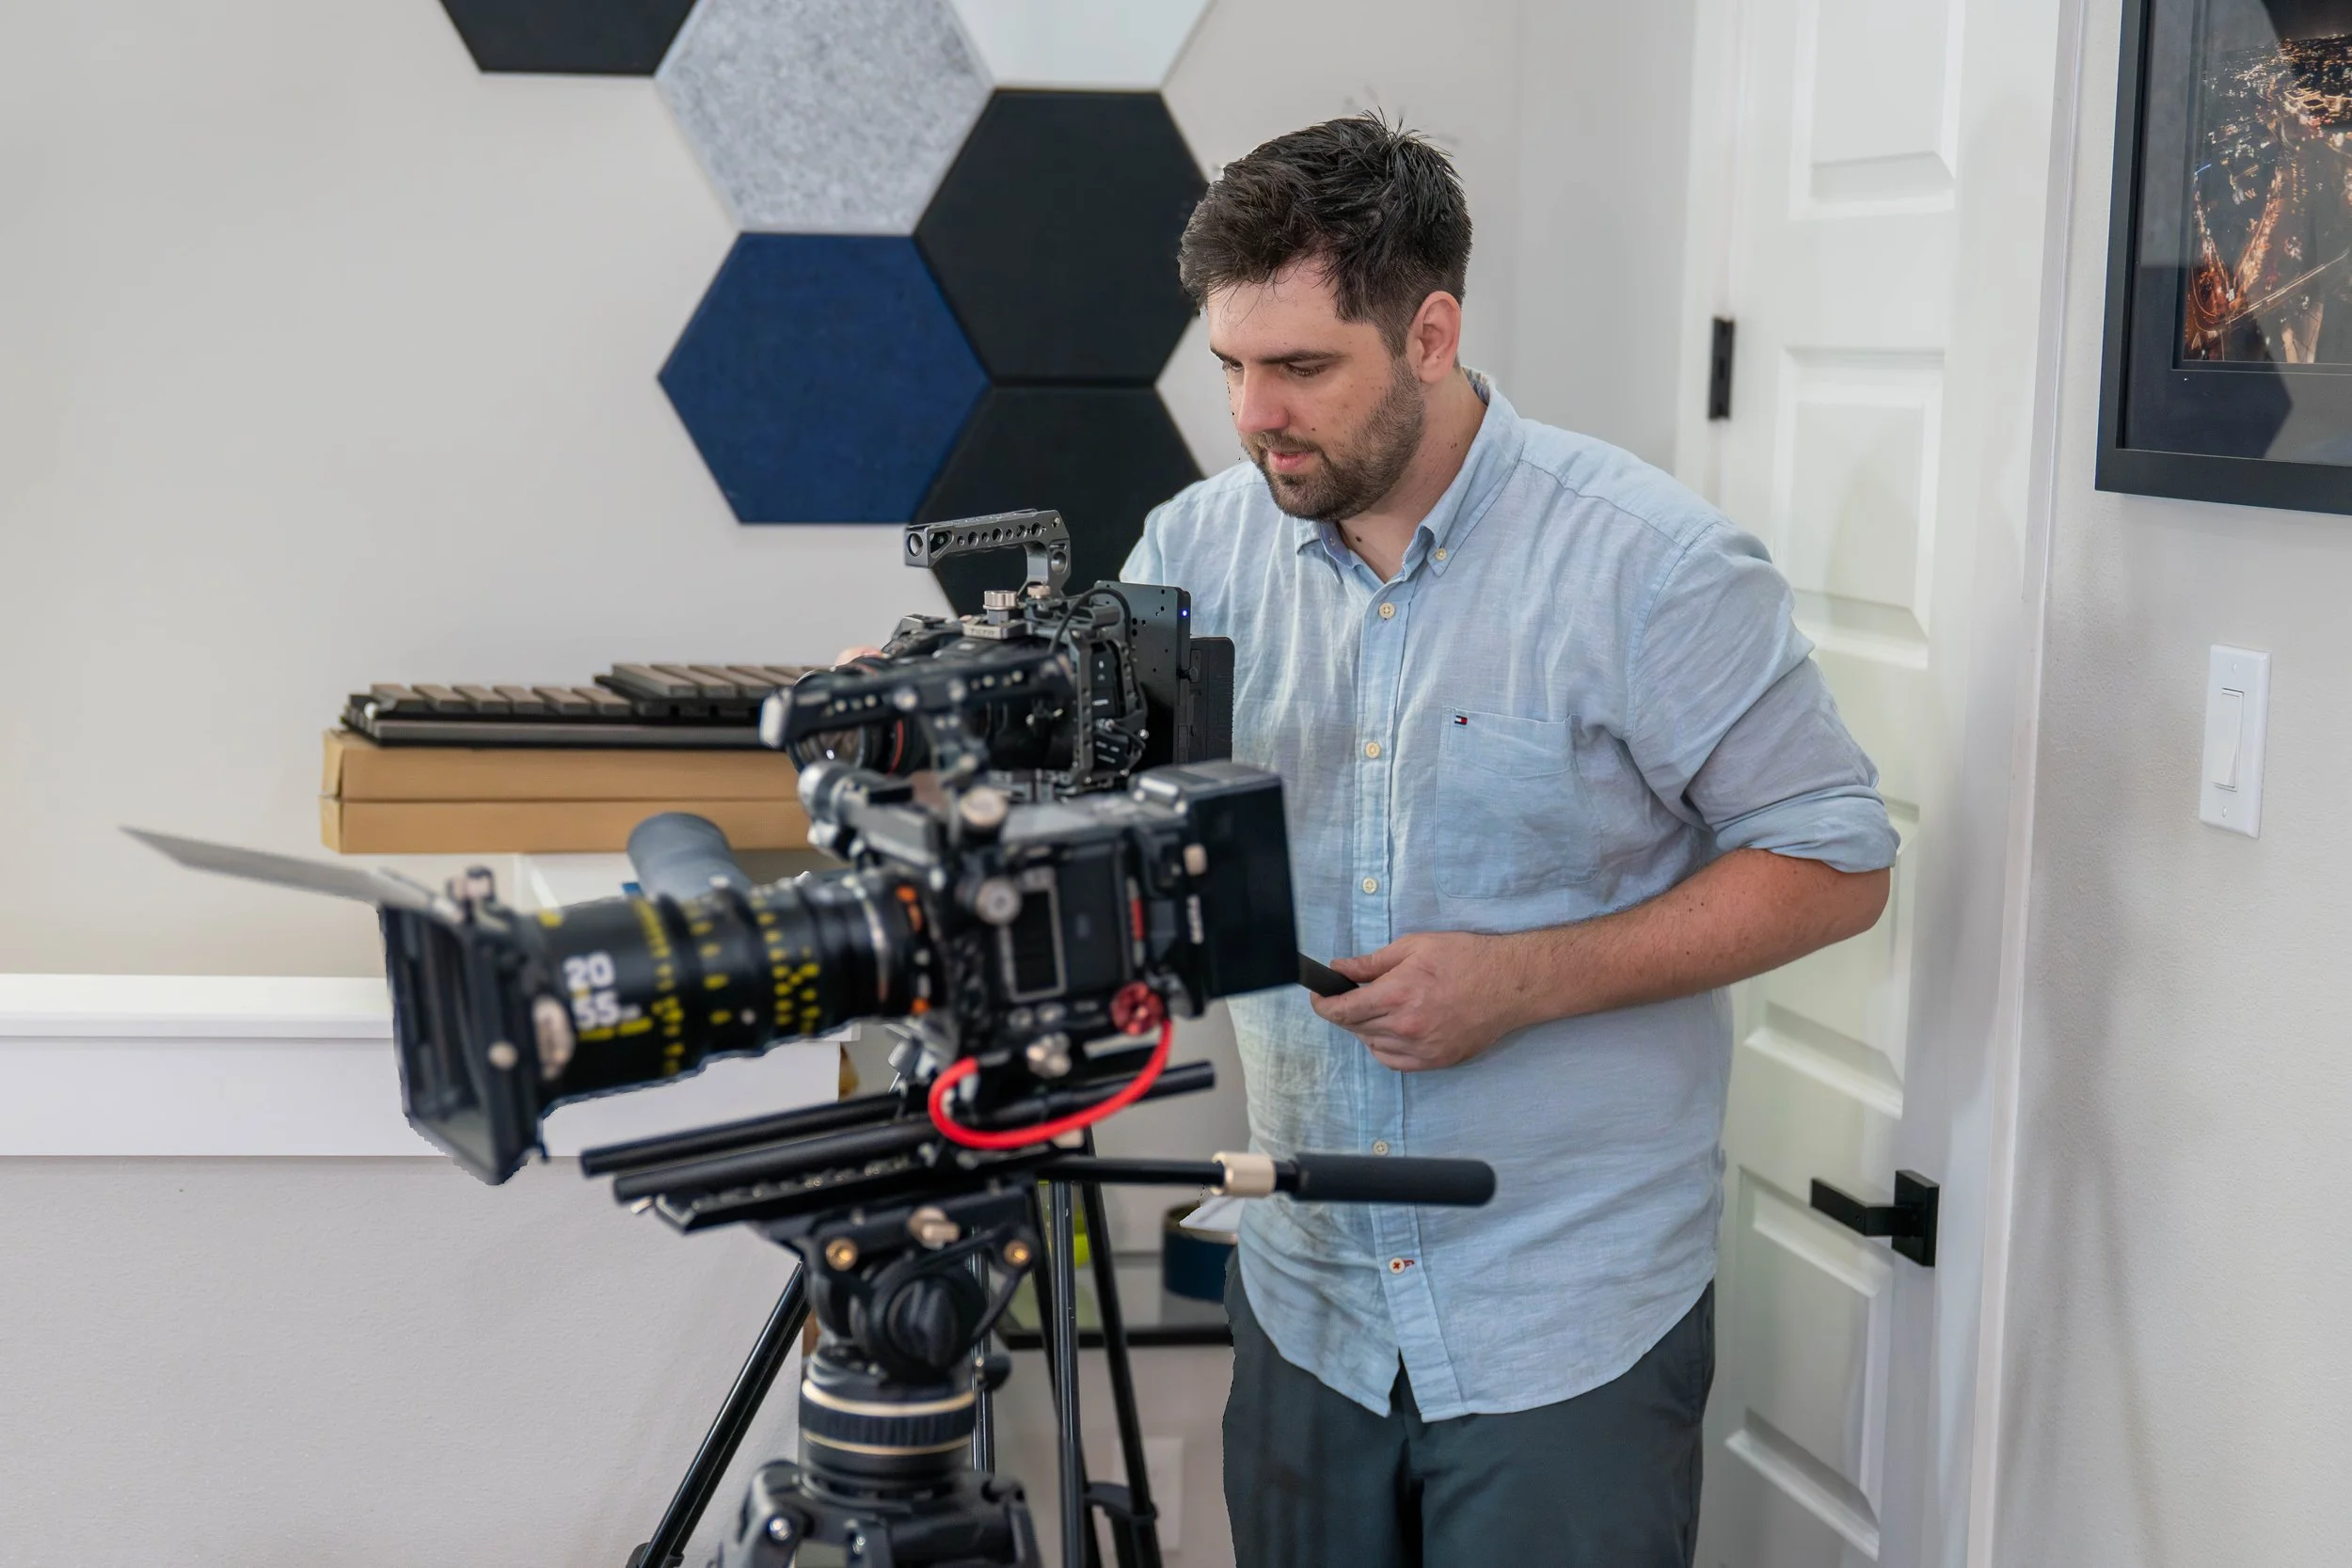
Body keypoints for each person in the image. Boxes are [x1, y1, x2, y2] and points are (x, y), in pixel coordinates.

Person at [1120, 116, 1899, 1568]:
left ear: (1431, 333)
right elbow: (1125, 822)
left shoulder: (1653, 566)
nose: (1256, 414)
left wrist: (1525, 980)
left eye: (1302, 369)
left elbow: (1837, 860)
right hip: (1308, 1302)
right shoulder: (1191, 552)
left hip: (1566, 1320)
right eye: (1231, 365)